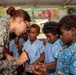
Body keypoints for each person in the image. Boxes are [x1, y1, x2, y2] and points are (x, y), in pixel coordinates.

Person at [0, 6, 31, 75]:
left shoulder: (4, 26)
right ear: (20, 20)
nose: (25, 31)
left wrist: (6, 56)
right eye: (27, 27)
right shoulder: (2, 30)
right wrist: (19, 61)